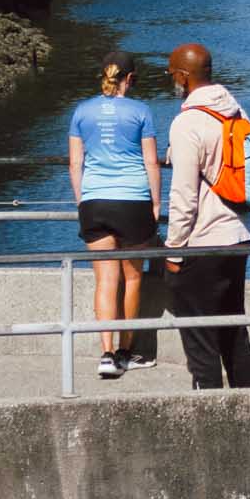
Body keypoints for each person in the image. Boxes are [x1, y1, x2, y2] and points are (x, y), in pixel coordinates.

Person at [161, 43, 250, 390]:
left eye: (172, 73)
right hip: (238, 235)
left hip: (202, 242)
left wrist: (173, 251)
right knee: (233, 331)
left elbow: (185, 196)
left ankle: (211, 418)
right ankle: (249, 407)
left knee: (200, 340)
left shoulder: (187, 123)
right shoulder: (235, 111)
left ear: (184, 77)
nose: (171, 79)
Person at [69, 51, 163, 379]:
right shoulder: (140, 111)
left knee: (105, 280)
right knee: (133, 277)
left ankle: (106, 354)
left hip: (95, 202)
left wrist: (83, 201)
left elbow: (75, 164)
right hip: (133, 200)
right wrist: (155, 203)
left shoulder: (81, 111)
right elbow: (151, 162)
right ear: (130, 79)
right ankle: (126, 351)